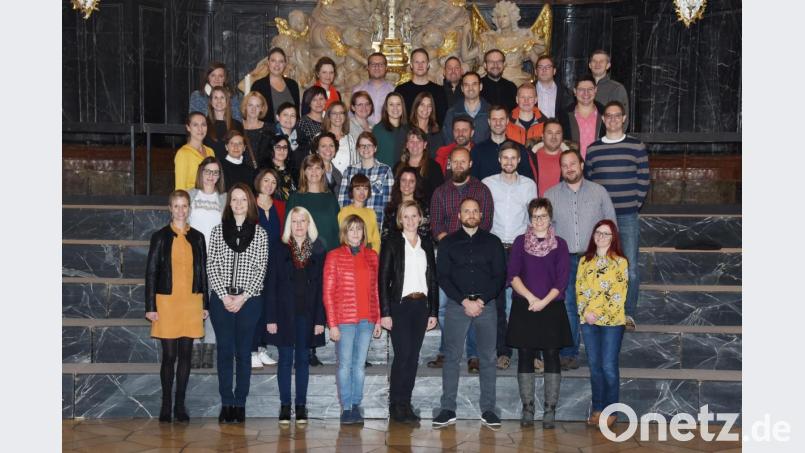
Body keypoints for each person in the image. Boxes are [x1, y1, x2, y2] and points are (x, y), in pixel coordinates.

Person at [432, 198, 506, 430]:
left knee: (488, 358)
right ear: (459, 215)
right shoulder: (448, 243)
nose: (471, 214)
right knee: (452, 357)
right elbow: (442, 276)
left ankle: (489, 409)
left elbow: (500, 276)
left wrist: (482, 300)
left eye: (475, 210)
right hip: (457, 305)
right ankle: (448, 409)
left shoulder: (493, 242)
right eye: (467, 211)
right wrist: (464, 300)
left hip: (486, 306)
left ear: (481, 215)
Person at [545, 149, 616, 372]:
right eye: (564, 165)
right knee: (568, 306)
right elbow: (546, 230)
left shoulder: (599, 192)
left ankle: (599, 354)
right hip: (564, 259)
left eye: (573, 163)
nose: (569, 168)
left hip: (594, 258)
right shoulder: (551, 194)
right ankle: (569, 353)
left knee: (594, 304)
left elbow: (611, 224)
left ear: (582, 165)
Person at [506, 198, 572, 429]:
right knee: (525, 354)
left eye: (543, 216)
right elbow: (512, 275)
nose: (539, 220)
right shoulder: (519, 242)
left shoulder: (560, 244)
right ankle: (528, 408)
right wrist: (531, 298)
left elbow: (562, 280)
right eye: (535, 216)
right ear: (530, 218)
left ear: (550, 218)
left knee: (552, 355)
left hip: (551, 306)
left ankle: (550, 409)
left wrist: (543, 301)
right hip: (525, 306)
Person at [206, 183, 269, 424]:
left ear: (250, 203)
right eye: (235, 199)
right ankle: (226, 402)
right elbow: (212, 266)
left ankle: (240, 402)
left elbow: (260, 269)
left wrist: (242, 298)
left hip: (249, 300)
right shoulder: (217, 231)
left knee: (243, 353)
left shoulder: (260, 234)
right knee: (224, 352)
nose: (239, 203)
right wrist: (223, 296)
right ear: (229, 203)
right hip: (221, 300)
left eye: (243, 199)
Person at [427, 147, 494, 372]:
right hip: (447, 255)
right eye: (454, 162)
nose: (458, 165)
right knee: (445, 307)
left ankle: (473, 355)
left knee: (473, 304)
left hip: (475, 258)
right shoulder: (440, 192)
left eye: (462, 162)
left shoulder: (482, 190)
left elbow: (485, 223)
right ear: (449, 164)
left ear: (470, 163)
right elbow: (436, 224)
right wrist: (452, 246)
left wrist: (465, 245)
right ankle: (448, 352)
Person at [145, 190, 209, 423]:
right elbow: (151, 272)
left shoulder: (198, 237)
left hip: (192, 302)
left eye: (184, 206)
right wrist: (150, 306)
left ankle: (180, 405)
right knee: (169, 356)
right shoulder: (160, 236)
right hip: (167, 302)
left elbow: (203, 272)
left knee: (185, 356)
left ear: (189, 208)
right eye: (176, 206)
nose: (181, 210)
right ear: (170, 209)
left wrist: (205, 303)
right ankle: (165, 404)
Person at [584, 101, 649, 331]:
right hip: (601, 219)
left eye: (616, 116)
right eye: (608, 116)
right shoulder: (593, 149)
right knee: (600, 263)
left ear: (624, 119)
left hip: (627, 216)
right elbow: (588, 181)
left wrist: (635, 204)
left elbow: (643, 179)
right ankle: (600, 309)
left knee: (629, 266)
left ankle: (628, 313)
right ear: (603, 120)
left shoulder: (636, 146)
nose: (612, 119)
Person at [264, 206, 326, 425]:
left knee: (302, 361)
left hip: (307, 315)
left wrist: (320, 319)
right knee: (284, 361)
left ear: (309, 224)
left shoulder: (318, 250)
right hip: (283, 315)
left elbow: (321, 289)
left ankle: (301, 406)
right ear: (289, 225)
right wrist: (270, 317)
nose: (299, 226)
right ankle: (284, 405)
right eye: (295, 221)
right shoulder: (279, 249)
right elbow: (270, 285)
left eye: (303, 221)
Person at [379, 200, 439, 423]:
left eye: (415, 216)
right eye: (407, 216)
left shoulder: (426, 244)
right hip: (400, 307)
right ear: (400, 219)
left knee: (413, 358)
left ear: (420, 218)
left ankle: (406, 402)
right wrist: (385, 312)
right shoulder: (392, 242)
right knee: (402, 356)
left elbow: (433, 279)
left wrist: (433, 311)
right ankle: (396, 404)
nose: (411, 220)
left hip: (420, 307)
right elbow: (383, 279)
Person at [323, 215, 383, 425]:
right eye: (351, 229)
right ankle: (346, 407)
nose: (356, 233)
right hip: (344, 320)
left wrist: (378, 319)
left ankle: (356, 405)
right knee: (344, 365)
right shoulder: (334, 256)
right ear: (344, 233)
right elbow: (328, 293)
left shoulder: (372, 256)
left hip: (367, 320)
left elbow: (376, 290)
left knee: (358, 366)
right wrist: (332, 324)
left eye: (359, 229)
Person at [482, 142, 537, 370]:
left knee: (523, 301)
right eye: (505, 158)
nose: (509, 162)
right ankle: (502, 352)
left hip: (520, 247)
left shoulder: (529, 185)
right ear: (499, 160)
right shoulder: (487, 184)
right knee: (496, 304)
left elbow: (533, 219)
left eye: (513, 158)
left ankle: (528, 353)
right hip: (494, 246)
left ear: (519, 160)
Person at [577, 219, 629, 430]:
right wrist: (585, 312)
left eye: (606, 233)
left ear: (613, 237)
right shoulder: (584, 261)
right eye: (598, 232)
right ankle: (598, 408)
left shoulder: (620, 262)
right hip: (587, 321)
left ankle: (611, 410)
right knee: (595, 367)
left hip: (611, 322)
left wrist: (595, 313)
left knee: (608, 366)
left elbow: (617, 294)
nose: (601, 236)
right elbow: (579, 289)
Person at [187, 157, 226, 369]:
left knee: (212, 304)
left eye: (215, 172)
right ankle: (194, 344)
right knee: (194, 303)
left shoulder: (224, 199)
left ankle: (209, 345)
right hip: (193, 258)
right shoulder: (191, 195)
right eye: (208, 172)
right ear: (201, 173)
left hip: (216, 260)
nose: (211, 176)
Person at [250, 169, 285, 370]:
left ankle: (262, 347)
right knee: (254, 306)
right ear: (259, 182)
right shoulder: (250, 203)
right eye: (266, 180)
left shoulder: (280, 205)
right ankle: (251, 350)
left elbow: (283, 234)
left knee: (267, 305)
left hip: (275, 261)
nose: (269, 184)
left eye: (273, 182)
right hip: (255, 262)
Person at [337, 131, 394, 229]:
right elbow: (343, 202)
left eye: (369, 145)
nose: (366, 148)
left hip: (376, 227)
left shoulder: (385, 171)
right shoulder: (350, 171)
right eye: (362, 145)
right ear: (358, 149)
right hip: (353, 228)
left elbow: (388, 202)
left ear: (375, 148)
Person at [286, 154, 341, 252]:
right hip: (304, 254)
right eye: (310, 168)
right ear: (304, 172)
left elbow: (337, 229)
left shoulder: (331, 198)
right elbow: (288, 230)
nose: (314, 172)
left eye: (318, 168)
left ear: (323, 171)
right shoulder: (295, 198)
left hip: (330, 254)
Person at [471, 105, 533, 181]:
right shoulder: (477, 151)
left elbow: (528, 181)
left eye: (501, 119)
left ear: (507, 121)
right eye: (494, 119)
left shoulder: (520, 149)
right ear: (489, 121)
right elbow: (472, 182)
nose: (498, 123)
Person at [395, 48, 449, 125]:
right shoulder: (400, 90)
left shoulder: (439, 91)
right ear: (411, 65)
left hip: (432, 135)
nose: (420, 65)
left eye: (423, 62)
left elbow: (443, 119)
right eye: (417, 62)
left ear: (428, 65)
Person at [558, 75, 605, 158]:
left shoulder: (605, 114)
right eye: (581, 90)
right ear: (575, 91)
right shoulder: (564, 116)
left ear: (595, 90)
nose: (586, 93)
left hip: (599, 164)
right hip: (573, 166)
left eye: (590, 89)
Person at [381, 167, 432, 242]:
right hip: (394, 251)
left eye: (411, 181)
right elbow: (385, 236)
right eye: (403, 180)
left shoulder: (423, 208)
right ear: (399, 182)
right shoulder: (391, 208)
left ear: (416, 184)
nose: (407, 184)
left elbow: (425, 235)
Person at [247, 47, 301, 118]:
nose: (277, 65)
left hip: (291, 128)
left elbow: (297, 114)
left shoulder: (293, 85)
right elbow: (254, 114)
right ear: (268, 63)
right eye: (273, 61)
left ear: (285, 64)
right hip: (267, 128)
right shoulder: (258, 86)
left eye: (281, 61)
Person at [394, 126, 444, 202]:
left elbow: (439, 196)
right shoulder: (398, 167)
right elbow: (394, 194)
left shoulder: (434, 167)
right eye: (411, 141)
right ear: (407, 145)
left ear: (425, 145)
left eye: (419, 141)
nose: (415, 145)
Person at [443, 72, 491, 144]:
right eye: (466, 85)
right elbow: (448, 141)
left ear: (480, 87)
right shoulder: (452, 113)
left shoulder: (491, 112)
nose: (470, 88)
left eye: (474, 84)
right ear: (462, 88)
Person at [524, 119, 569, 197]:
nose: (554, 137)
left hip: (563, 207)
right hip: (536, 207)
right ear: (542, 136)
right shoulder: (529, 158)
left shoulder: (572, 160)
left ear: (562, 136)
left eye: (557, 133)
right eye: (549, 133)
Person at [337, 174, 381, 252]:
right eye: (358, 188)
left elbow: (376, 240)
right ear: (352, 191)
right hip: (349, 251)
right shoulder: (344, 212)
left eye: (365, 189)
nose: (362, 192)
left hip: (368, 252)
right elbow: (342, 237)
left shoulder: (371, 213)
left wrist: (374, 255)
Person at [589, 50, 629, 129]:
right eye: (594, 61)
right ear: (590, 65)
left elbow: (623, 119)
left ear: (608, 65)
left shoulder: (617, 88)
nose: (597, 64)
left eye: (601, 61)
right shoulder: (582, 88)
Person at [175, 112, 215, 190]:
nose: (200, 129)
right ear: (188, 128)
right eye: (195, 125)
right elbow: (180, 188)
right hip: (192, 200)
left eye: (203, 124)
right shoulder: (183, 153)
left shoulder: (210, 151)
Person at [351, 52, 394, 125]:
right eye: (373, 64)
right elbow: (351, 117)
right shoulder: (358, 91)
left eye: (380, 64)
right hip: (362, 133)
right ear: (368, 67)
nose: (377, 67)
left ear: (386, 68)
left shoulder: (393, 91)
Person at [204, 86, 244, 161]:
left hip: (231, 169)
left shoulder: (237, 125)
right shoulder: (204, 124)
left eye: (222, 97)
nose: (219, 101)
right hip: (211, 169)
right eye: (215, 98)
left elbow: (241, 151)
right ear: (211, 102)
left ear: (227, 101)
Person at [371, 92, 408, 166]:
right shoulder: (378, 130)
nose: (395, 108)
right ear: (386, 108)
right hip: (384, 174)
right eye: (391, 104)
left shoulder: (408, 129)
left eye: (398, 104)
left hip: (403, 174)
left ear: (402, 107)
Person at [241, 91, 275, 165]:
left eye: (257, 106)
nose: (253, 109)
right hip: (241, 170)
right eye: (250, 105)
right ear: (245, 107)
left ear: (262, 109)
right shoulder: (237, 127)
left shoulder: (270, 128)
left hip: (262, 172)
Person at [322, 101, 357, 174]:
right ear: (329, 116)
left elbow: (355, 165)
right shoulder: (320, 137)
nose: (338, 116)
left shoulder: (351, 140)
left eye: (341, 113)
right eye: (334, 113)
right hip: (325, 183)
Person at [409, 92, 445, 157]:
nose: (425, 109)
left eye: (429, 106)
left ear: (432, 109)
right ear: (416, 107)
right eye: (422, 105)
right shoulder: (407, 130)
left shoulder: (437, 134)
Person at [273, 102, 307, 169]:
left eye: (292, 115)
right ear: (277, 117)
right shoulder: (271, 136)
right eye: (285, 115)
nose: (289, 118)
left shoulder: (302, 138)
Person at [265, 134, 297, 201]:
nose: (282, 150)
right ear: (271, 149)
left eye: (285, 147)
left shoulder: (294, 170)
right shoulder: (265, 171)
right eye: (278, 147)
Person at [297, 86, 326, 150]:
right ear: (309, 103)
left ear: (325, 101)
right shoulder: (303, 122)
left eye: (321, 99)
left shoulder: (328, 121)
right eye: (314, 100)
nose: (318, 103)